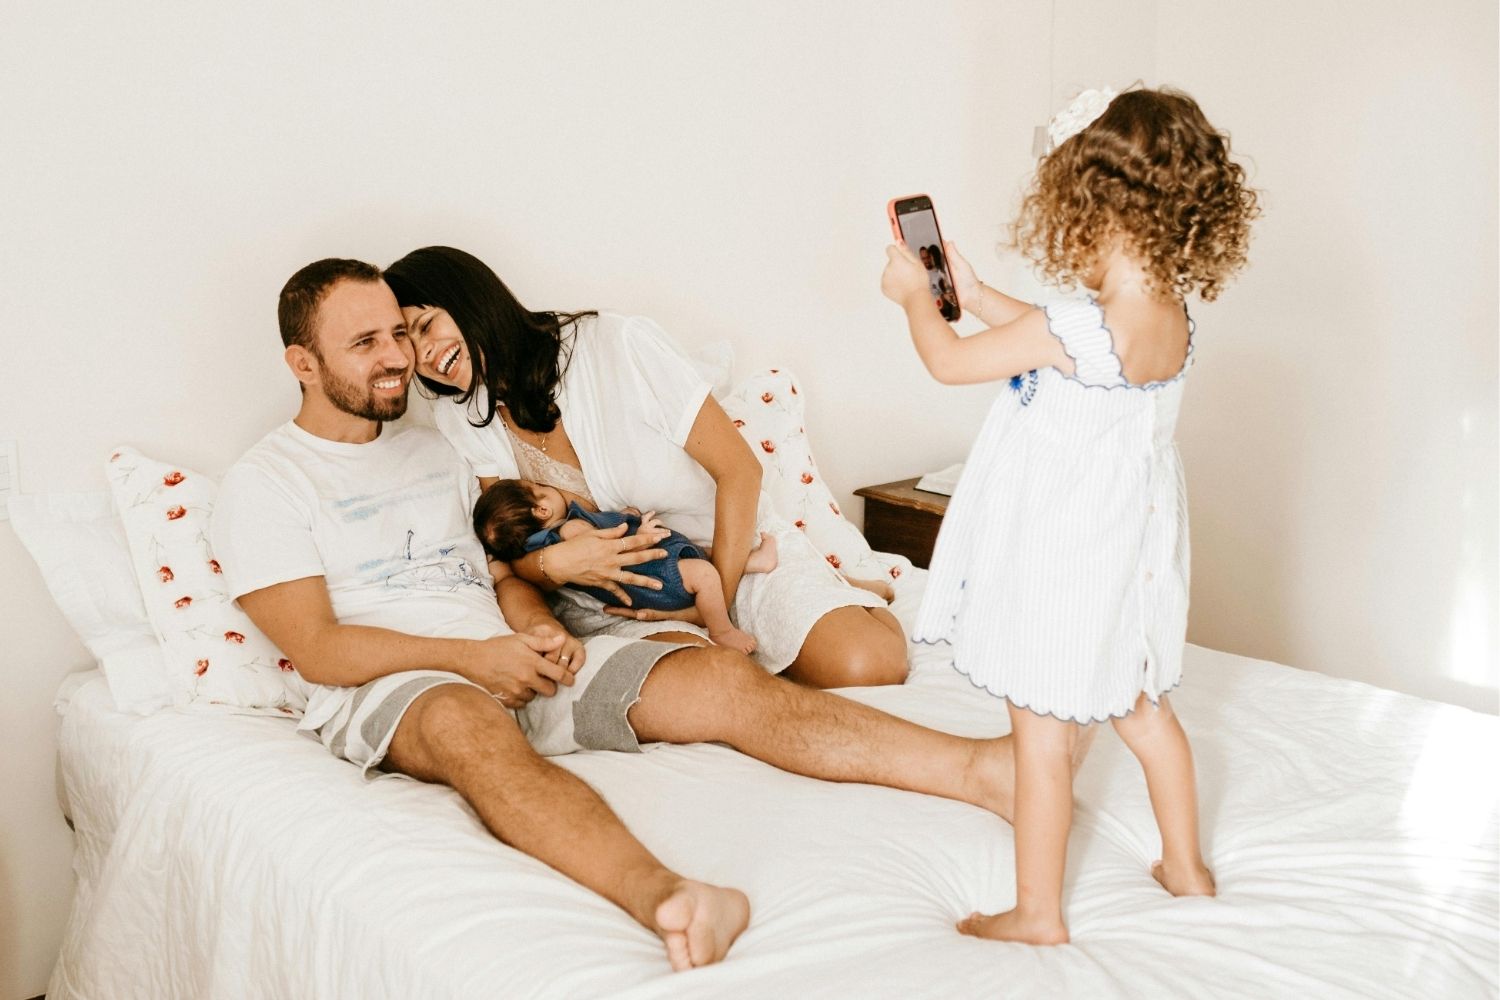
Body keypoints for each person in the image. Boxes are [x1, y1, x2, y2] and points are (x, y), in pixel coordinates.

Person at [212, 257, 1040, 972]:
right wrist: (477, 660)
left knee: (719, 676)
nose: (398, 358)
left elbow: (501, 571)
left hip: (522, 651)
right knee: (469, 726)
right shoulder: (268, 482)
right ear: (303, 362)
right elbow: (319, 649)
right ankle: (671, 897)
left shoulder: (439, 449)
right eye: (368, 344)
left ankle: (985, 770)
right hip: (410, 680)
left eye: (400, 332)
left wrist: (531, 624)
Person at [880, 86, 1258, 945]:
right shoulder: (1165, 319)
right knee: (1144, 712)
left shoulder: (1084, 328)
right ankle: (1186, 867)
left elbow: (951, 364)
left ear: (1098, 212)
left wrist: (915, 295)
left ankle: (1038, 913)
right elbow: (1051, 335)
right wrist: (972, 291)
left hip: (1067, 558)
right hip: (1130, 555)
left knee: (1041, 743)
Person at [383, 247, 909, 689]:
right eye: (409, 343)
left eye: (427, 324)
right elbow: (510, 550)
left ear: (471, 300)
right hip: (617, 599)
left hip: (729, 556)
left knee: (867, 666)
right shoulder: (460, 412)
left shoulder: (616, 345)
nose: (426, 354)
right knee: (706, 686)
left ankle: (852, 588)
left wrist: (709, 610)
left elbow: (740, 472)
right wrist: (555, 569)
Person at [474, 476, 778, 653]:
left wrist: (623, 514)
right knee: (704, 573)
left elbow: (606, 530)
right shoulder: (570, 531)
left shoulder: (559, 536)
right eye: (542, 487)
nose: (550, 488)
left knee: (701, 553)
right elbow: (614, 548)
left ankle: (755, 561)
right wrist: (642, 533)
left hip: (642, 586)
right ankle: (722, 630)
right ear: (541, 508)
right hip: (654, 575)